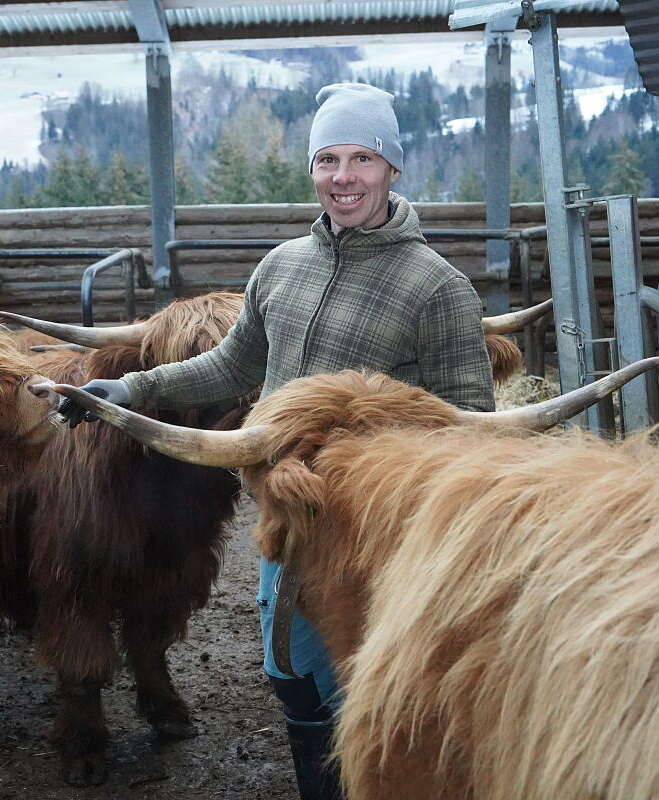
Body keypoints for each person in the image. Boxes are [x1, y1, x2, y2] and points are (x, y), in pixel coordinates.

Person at [59, 82, 495, 799]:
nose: (343, 177)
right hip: (285, 519)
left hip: (380, 534)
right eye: (328, 159)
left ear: (393, 168)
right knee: (293, 681)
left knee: (374, 692)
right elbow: (232, 364)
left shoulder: (437, 288)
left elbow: (468, 423)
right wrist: (130, 391)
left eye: (362, 158)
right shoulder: (282, 266)